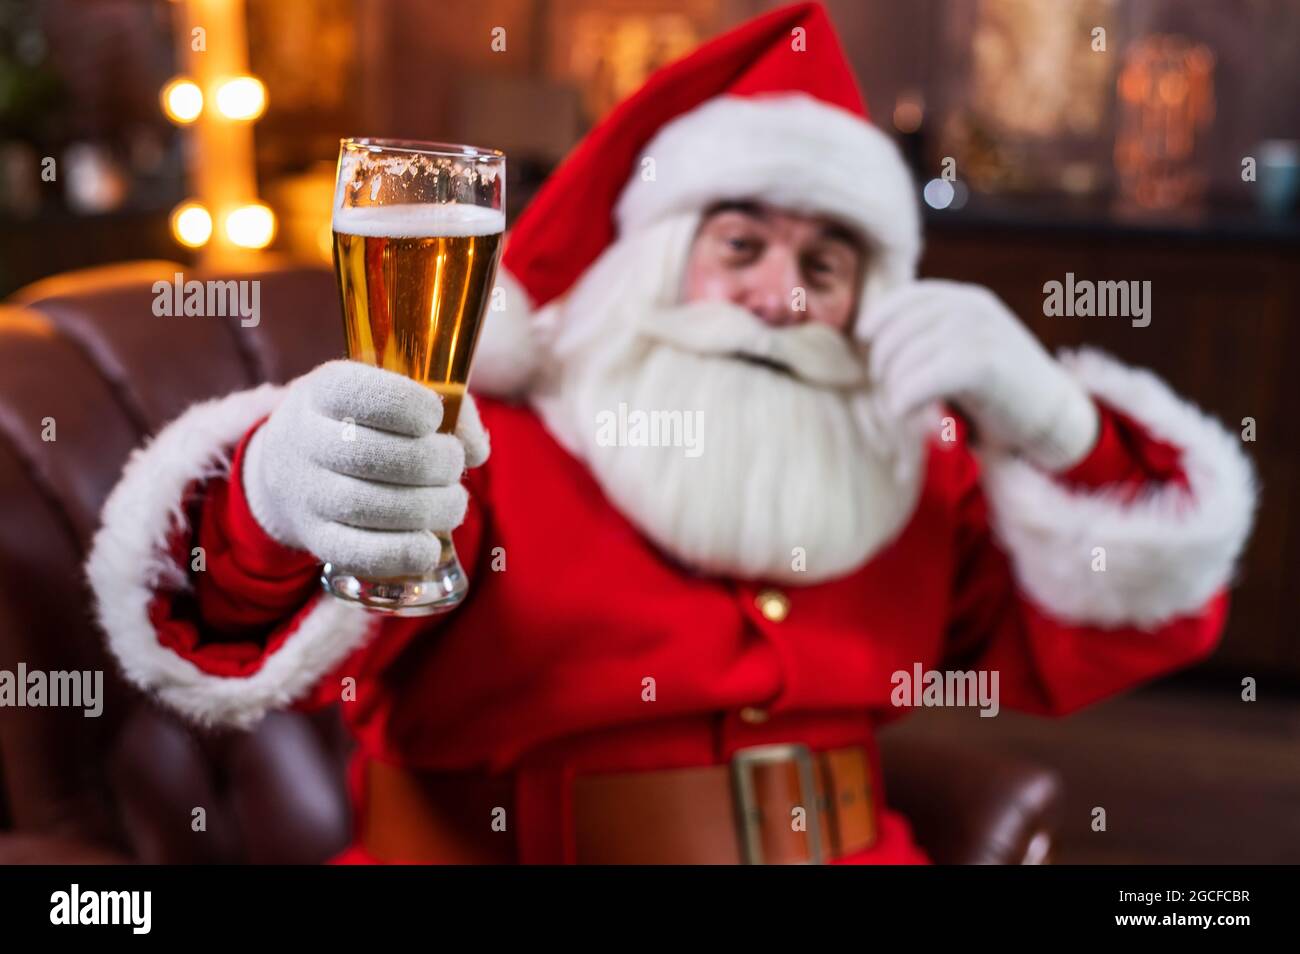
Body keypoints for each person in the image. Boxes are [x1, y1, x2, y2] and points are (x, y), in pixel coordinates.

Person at [87, 2, 1256, 864]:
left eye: (825, 264)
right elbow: (253, 629)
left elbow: (1130, 624)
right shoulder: (491, 442)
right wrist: (279, 497)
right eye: (739, 244)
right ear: (653, 265)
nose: (779, 295)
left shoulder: (907, 469)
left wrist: (1054, 427)